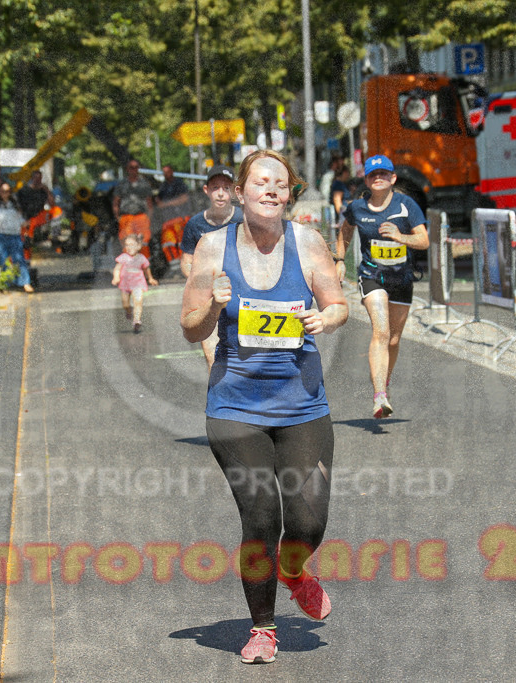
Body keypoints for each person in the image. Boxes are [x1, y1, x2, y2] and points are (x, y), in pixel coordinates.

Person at [180, 150, 348, 665]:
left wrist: (329, 318)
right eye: (261, 181)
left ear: (288, 192)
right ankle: (262, 627)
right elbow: (190, 327)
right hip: (235, 407)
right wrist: (212, 305)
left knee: (308, 521)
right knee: (261, 515)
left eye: (280, 182)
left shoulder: (308, 242)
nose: (271, 189)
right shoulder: (212, 247)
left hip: (301, 403)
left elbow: (337, 301)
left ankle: (295, 571)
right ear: (240, 190)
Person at [336, 154, 429, 419]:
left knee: (394, 339)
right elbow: (345, 232)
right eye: (373, 175)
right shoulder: (357, 208)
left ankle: (383, 381)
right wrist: (340, 260)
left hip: (402, 278)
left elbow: (424, 241)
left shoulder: (406, 205)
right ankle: (379, 396)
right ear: (366, 180)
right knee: (382, 331)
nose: (379, 178)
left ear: (393, 178)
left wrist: (400, 236)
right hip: (372, 275)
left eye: (384, 174)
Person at [179, 165, 243, 369]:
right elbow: (186, 261)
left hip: (242, 295)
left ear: (234, 191)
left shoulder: (244, 219)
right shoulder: (195, 225)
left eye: (226, 188)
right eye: (216, 188)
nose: (221, 193)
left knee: (244, 353)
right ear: (207, 190)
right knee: (212, 356)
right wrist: (203, 281)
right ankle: (219, 397)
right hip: (210, 299)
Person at [0, 179, 35, 293]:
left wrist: (25, 224)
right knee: (1, 260)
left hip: (14, 235)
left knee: (19, 259)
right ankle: (3, 284)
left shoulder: (13, 205)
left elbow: (19, 218)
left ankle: (25, 282)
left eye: (8, 191)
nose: (5, 193)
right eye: (3, 191)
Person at [112, 233, 158, 333]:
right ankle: (128, 311)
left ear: (138, 246)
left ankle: (137, 320)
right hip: (125, 284)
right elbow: (117, 268)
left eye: (132, 244)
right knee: (125, 304)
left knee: (138, 302)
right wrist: (116, 277)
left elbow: (146, 269)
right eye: (127, 245)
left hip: (138, 283)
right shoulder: (123, 257)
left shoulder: (141, 258)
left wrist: (150, 278)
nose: (129, 247)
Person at [113, 159, 154, 257]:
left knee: (143, 242)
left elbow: (149, 203)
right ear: (127, 169)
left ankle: (144, 266)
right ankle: (128, 266)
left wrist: (148, 218)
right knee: (127, 242)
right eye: (131, 167)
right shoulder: (121, 184)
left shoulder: (144, 184)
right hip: (126, 217)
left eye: (136, 167)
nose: (133, 170)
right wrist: (117, 217)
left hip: (141, 216)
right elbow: (116, 202)